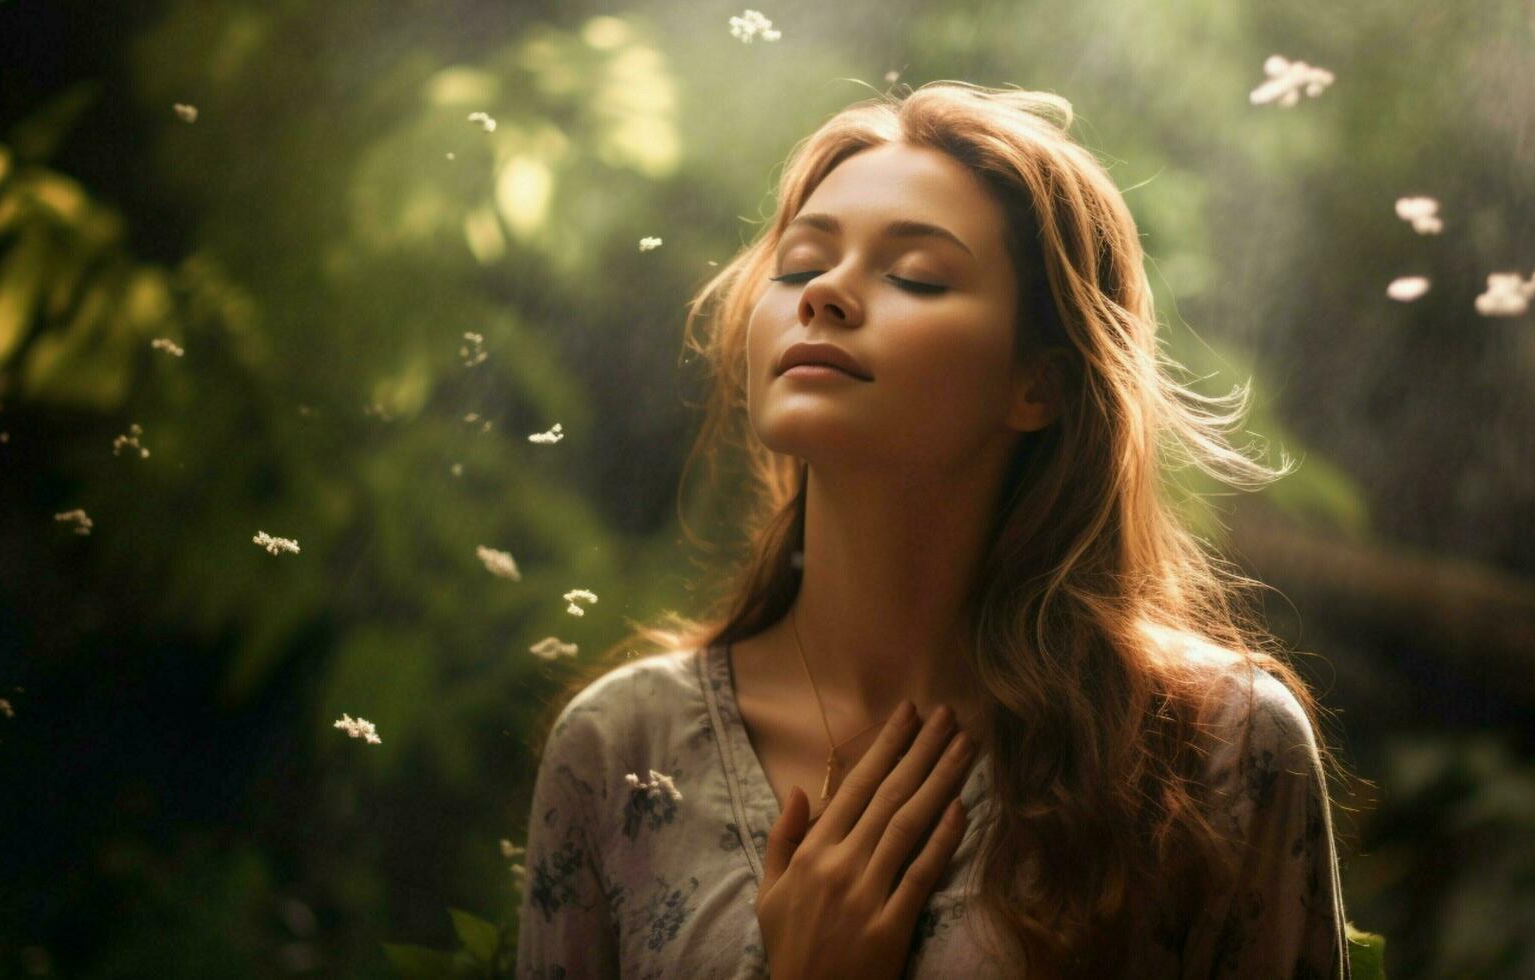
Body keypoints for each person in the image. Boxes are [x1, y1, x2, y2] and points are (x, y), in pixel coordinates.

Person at [516, 80, 1353, 978]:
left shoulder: (1213, 750)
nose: (825, 295)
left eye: (914, 275)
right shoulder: (619, 750)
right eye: (799, 265)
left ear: (1039, 382)